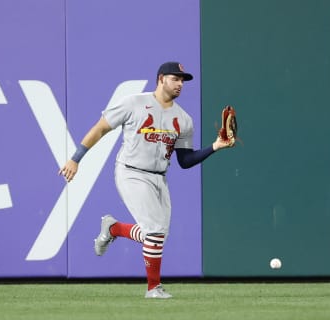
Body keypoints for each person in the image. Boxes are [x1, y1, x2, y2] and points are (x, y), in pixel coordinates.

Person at [59, 62, 235, 299]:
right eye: (176, 79)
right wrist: (75, 159)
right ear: (161, 78)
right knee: (154, 232)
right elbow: (100, 128)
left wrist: (215, 146)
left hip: (159, 178)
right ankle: (153, 288)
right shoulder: (134, 103)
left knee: (158, 235)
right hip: (130, 172)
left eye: (183, 81)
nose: (180, 84)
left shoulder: (184, 119)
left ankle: (113, 228)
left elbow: (185, 161)